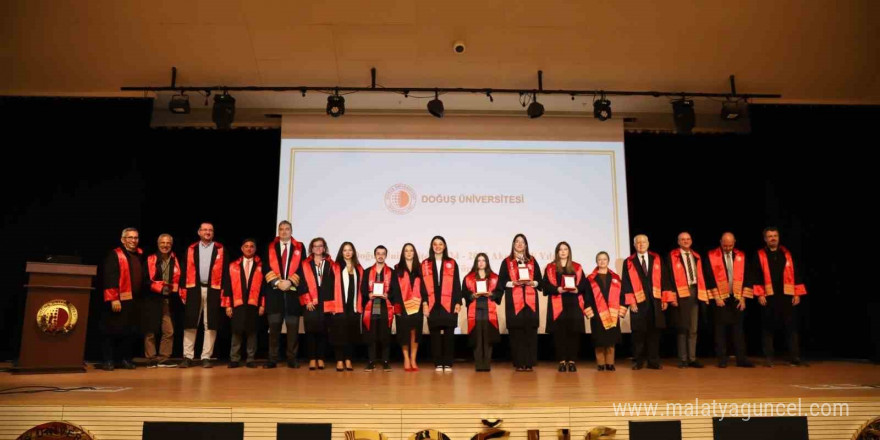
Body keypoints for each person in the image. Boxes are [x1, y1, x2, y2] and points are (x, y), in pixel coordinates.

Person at [752, 227, 808, 367]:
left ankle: (795, 357)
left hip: (786, 295)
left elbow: (796, 273)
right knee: (768, 328)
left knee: (791, 327)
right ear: (765, 239)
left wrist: (797, 292)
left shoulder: (787, 254)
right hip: (769, 296)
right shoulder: (760, 255)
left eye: (775, 235)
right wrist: (759, 294)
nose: (773, 238)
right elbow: (756, 275)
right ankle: (769, 357)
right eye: (770, 236)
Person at [179, 222, 227, 369]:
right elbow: (184, 270)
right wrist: (182, 288)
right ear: (199, 232)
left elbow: (225, 272)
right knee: (190, 323)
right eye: (204, 230)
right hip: (194, 288)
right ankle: (187, 356)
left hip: (214, 289)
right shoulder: (191, 249)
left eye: (210, 230)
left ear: (213, 233)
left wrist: (224, 291)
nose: (207, 232)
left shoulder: (220, 249)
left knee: (210, 324)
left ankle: (206, 356)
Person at [99, 227, 147, 371]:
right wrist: (114, 299)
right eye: (130, 237)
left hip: (134, 300)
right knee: (112, 331)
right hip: (119, 299)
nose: (133, 240)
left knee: (129, 332)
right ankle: (108, 360)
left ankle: (125, 359)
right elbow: (110, 277)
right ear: (123, 239)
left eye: (136, 238)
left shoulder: (140, 255)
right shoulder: (115, 255)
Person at [497, 234, 542, 372]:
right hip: (514, 302)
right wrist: (513, 283)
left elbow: (540, 281)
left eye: (522, 242)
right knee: (516, 333)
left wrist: (532, 282)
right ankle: (519, 362)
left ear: (526, 245)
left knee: (530, 331)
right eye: (517, 241)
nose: (520, 244)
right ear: (513, 244)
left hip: (530, 302)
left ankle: (529, 363)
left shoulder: (533, 261)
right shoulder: (506, 262)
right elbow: (501, 282)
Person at [620, 234, 666, 370]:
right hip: (638, 302)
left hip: (655, 301)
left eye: (643, 242)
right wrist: (631, 302)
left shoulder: (656, 258)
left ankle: (653, 361)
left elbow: (665, 279)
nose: (641, 244)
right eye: (638, 243)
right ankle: (638, 361)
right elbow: (626, 283)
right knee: (638, 334)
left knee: (654, 332)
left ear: (648, 243)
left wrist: (665, 298)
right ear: (634, 245)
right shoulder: (628, 261)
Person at [263, 220, 305, 369]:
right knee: (274, 329)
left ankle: (292, 359)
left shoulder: (300, 247)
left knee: (293, 329)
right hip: (274, 294)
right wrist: (277, 282)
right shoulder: (270, 247)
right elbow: (266, 267)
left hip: (292, 294)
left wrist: (291, 282)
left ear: (291, 231)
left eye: (287, 229)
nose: (284, 232)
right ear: (278, 232)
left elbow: (302, 267)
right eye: (281, 229)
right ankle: (272, 359)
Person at [542, 241, 588, 372]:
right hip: (557, 303)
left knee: (573, 333)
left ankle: (572, 361)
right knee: (559, 334)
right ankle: (562, 361)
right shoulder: (550, 267)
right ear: (557, 252)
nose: (563, 252)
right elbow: (545, 286)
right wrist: (557, 289)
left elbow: (584, 285)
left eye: (565, 249)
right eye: (560, 249)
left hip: (574, 303)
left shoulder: (577, 267)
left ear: (569, 252)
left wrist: (577, 289)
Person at [421, 235, 462, 372]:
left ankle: (448, 362)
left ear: (444, 246)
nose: (437, 246)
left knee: (449, 334)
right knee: (435, 335)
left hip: (449, 302)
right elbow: (421, 286)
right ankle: (438, 362)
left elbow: (456, 283)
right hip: (432, 303)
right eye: (435, 244)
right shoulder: (425, 263)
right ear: (432, 247)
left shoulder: (452, 262)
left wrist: (458, 301)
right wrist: (425, 303)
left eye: (440, 244)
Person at [223, 238, 265, 368]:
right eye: (246, 246)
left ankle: (250, 359)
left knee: (252, 332)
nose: (249, 248)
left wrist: (262, 304)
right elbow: (227, 286)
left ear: (255, 249)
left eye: (252, 246)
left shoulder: (261, 266)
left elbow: (264, 288)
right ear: (242, 248)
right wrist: (228, 305)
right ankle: (234, 358)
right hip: (237, 303)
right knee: (237, 331)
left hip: (254, 303)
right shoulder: (233, 265)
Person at [586, 251, 627, 371]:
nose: (602, 261)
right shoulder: (590, 279)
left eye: (604, 259)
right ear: (596, 261)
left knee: (610, 339)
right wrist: (590, 311)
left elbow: (622, 295)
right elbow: (587, 296)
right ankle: (600, 363)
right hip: (597, 312)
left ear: (608, 261)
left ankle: (610, 363)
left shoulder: (615, 278)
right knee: (599, 340)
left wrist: (621, 309)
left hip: (612, 312)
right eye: (599, 259)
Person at [143, 233, 180, 368]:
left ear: (171, 245)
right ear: (158, 244)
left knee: (169, 330)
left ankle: (164, 358)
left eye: (168, 243)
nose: (165, 245)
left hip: (167, 299)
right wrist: (158, 287)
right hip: (152, 298)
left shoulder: (175, 260)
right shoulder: (151, 259)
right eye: (162, 243)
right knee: (150, 330)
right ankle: (151, 358)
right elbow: (145, 279)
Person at [390, 243, 426, 372]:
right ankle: (405, 358)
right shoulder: (397, 269)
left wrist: (425, 303)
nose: (409, 253)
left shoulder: (420, 269)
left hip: (417, 305)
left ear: (414, 253)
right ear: (403, 253)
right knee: (404, 332)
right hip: (402, 306)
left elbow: (424, 288)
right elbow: (393, 290)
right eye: (406, 251)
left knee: (415, 333)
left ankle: (413, 359)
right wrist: (397, 307)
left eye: (411, 251)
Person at [462, 253, 501, 372]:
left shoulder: (494, 277)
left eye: (483, 260)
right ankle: (479, 365)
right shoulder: (469, 277)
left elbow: (499, 292)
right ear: (476, 262)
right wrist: (471, 295)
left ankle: (487, 365)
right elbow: (464, 292)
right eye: (479, 260)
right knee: (477, 338)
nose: (481, 263)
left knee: (488, 338)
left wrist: (492, 294)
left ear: (487, 262)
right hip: (475, 309)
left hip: (489, 309)